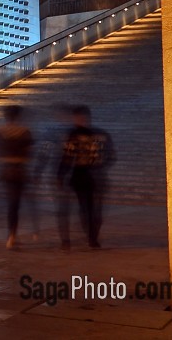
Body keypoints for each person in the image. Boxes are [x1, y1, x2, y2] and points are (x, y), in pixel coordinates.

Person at [58, 105, 114, 249]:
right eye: (78, 118)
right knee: (86, 207)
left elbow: (111, 156)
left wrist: (100, 164)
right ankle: (91, 237)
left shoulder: (99, 135)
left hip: (93, 175)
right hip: (81, 176)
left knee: (93, 209)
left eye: (81, 117)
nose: (80, 120)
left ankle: (92, 236)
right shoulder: (74, 135)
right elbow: (67, 156)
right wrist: (61, 174)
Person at [0, 104, 34, 249]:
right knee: (15, 205)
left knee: (12, 204)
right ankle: (12, 236)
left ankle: (11, 235)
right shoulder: (25, 131)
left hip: (6, 170)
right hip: (19, 170)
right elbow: (29, 152)